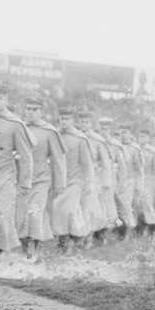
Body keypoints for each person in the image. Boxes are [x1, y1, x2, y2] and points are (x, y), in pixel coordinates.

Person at [0, 84, 33, 263]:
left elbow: (25, 156)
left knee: (0, 214)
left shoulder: (15, 124)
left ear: (6, 100)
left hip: (6, 177)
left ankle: (3, 252)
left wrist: (25, 183)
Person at [18, 97, 66, 262]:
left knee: (35, 212)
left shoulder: (49, 132)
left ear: (41, 112)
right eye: (28, 109)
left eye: (34, 109)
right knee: (22, 216)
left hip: (41, 180)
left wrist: (60, 184)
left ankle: (35, 250)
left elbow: (58, 159)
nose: (30, 112)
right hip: (21, 181)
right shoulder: (20, 128)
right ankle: (26, 251)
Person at [53, 107, 91, 254]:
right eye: (61, 119)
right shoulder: (55, 135)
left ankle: (76, 239)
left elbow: (86, 164)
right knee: (58, 210)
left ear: (72, 121)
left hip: (75, 181)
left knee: (67, 210)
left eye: (67, 119)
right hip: (59, 181)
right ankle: (65, 240)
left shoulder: (80, 138)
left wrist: (89, 183)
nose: (64, 122)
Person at [78, 111, 118, 245]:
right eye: (82, 121)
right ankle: (82, 235)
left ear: (91, 123)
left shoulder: (97, 140)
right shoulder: (77, 136)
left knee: (92, 208)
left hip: (94, 179)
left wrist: (106, 181)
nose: (84, 124)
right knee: (79, 208)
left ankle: (90, 237)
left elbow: (106, 163)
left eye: (87, 122)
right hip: (77, 178)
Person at [98, 118, 134, 240]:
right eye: (102, 128)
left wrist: (122, 183)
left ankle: (126, 231)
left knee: (121, 206)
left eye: (106, 128)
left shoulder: (115, 145)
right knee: (100, 206)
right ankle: (101, 234)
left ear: (110, 129)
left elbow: (122, 167)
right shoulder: (95, 141)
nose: (104, 131)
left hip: (114, 180)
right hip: (98, 179)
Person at [118, 124, 144, 240]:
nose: (123, 135)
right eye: (121, 132)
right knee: (119, 207)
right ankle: (122, 231)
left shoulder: (135, 149)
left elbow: (139, 169)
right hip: (118, 181)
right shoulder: (117, 146)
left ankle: (129, 232)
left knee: (127, 206)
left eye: (126, 132)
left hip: (130, 181)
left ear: (130, 134)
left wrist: (139, 185)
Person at [136, 128, 155, 238]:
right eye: (140, 136)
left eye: (144, 137)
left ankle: (152, 230)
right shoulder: (135, 150)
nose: (141, 139)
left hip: (148, 183)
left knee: (148, 207)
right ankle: (140, 230)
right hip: (136, 182)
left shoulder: (153, 153)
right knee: (137, 207)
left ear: (148, 138)